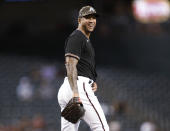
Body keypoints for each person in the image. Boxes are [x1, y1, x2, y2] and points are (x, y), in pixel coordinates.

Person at [57, 6, 109, 131]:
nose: (91, 21)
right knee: (101, 127)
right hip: (77, 87)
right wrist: (76, 94)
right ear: (79, 20)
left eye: (94, 18)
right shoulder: (77, 37)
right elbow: (70, 65)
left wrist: (92, 81)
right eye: (87, 18)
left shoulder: (83, 39)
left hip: (72, 87)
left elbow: (82, 65)